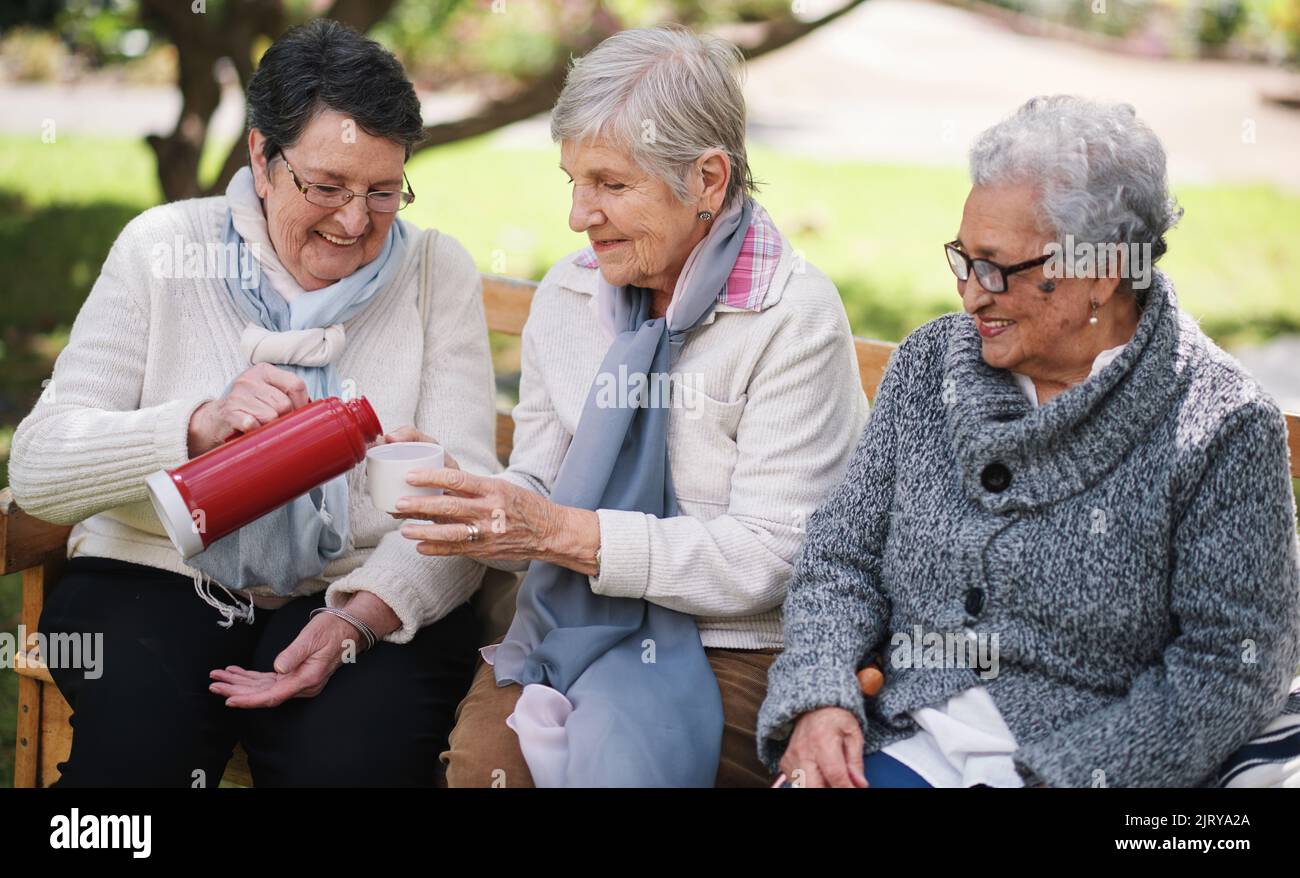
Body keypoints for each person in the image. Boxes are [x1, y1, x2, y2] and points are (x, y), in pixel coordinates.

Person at [8, 19, 498, 787]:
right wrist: (195, 429)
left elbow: (465, 499)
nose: (352, 221)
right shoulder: (160, 248)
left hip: (359, 588)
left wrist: (357, 619)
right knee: (136, 769)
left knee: (350, 765)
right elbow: (39, 469)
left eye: (382, 192)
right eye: (327, 187)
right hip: (157, 573)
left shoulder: (436, 273)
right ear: (262, 157)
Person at [757, 96, 1300, 788]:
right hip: (893, 741)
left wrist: (1067, 776)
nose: (969, 295)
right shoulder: (930, 366)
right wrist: (820, 696)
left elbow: (1232, 666)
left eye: (996, 267)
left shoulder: (1218, 424)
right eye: (963, 258)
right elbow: (842, 557)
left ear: (1102, 272)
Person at [391, 25, 868, 787]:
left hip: (732, 640)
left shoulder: (790, 316)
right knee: (486, 767)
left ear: (708, 180)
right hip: (570, 621)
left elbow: (770, 558)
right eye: (572, 181)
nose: (580, 216)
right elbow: (542, 492)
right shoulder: (571, 292)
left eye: (612, 185)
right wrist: (479, 504)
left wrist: (564, 533)